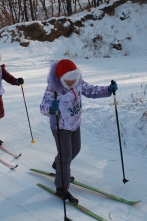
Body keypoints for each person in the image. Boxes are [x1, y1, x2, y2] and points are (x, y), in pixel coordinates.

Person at [39, 59, 117, 204]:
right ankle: (62, 186)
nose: (73, 82)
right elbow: (43, 106)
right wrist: (50, 108)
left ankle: (58, 165)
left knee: (75, 149)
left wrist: (107, 90)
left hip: (75, 123)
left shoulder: (78, 81)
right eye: (69, 80)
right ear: (62, 78)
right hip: (60, 126)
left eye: (75, 78)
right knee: (66, 155)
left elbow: (91, 90)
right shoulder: (54, 88)